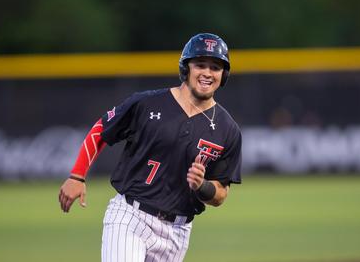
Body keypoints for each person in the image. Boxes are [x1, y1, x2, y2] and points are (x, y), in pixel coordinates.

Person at [58, 33, 242, 262]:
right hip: (130, 217)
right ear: (186, 68)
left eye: (215, 67)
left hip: (177, 232)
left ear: (223, 75)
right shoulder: (147, 103)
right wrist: (77, 175)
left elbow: (221, 194)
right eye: (200, 64)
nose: (207, 72)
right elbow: (101, 129)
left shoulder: (228, 129)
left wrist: (202, 186)